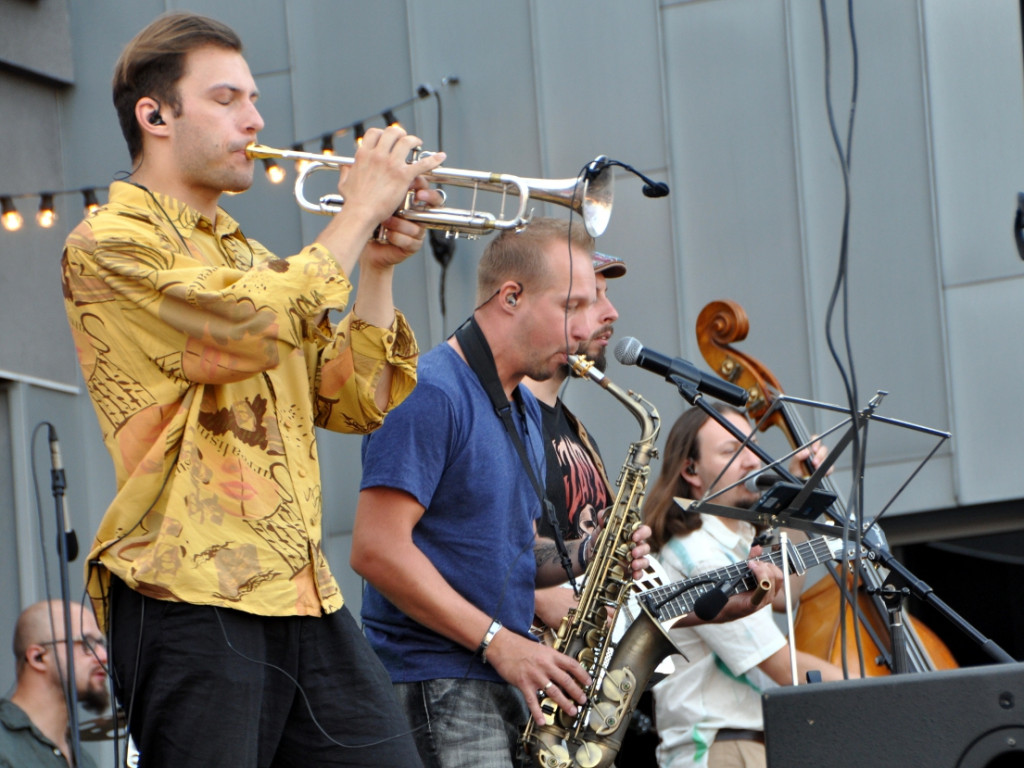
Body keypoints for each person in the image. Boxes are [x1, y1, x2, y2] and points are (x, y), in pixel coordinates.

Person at [60, 11, 445, 767]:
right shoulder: (107, 243)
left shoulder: (250, 253)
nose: (256, 119)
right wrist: (361, 209)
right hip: (186, 590)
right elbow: (252, 323)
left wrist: (376, 268)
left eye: (255, 99)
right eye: (229, 98)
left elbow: (350, 400)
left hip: (301, 592)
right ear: (155, 115)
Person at [351, 219, 782, 768]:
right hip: (443, 678)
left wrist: (594, 551)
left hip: (507, 675)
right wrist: (498, 643)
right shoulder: (430, 390)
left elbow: (510, 555)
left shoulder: (527, 410)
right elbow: (375, 549)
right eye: (571, 306)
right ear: (511, 297)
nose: (586, 327)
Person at [644, 403, 845, 768]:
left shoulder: (735, 539)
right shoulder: (698, 553)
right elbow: (784, 668)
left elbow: (786, 595)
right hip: (719, 748)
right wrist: (885, 691)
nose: (752, 460)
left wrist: (800, 499)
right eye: (730, 451)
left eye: (751, 446)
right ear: (691, 470)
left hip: (748, 743)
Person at [523, 250, 626, 636]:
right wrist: (535, 597)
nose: (611, 312)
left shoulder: (575, 431)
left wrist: (716, 603)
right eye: (589, 298)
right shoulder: (496, 417)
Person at [0, 600, 109, 767]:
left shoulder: (85, 761)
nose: (103, 656)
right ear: (38, 657)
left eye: (101, 644)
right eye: (87, 644)